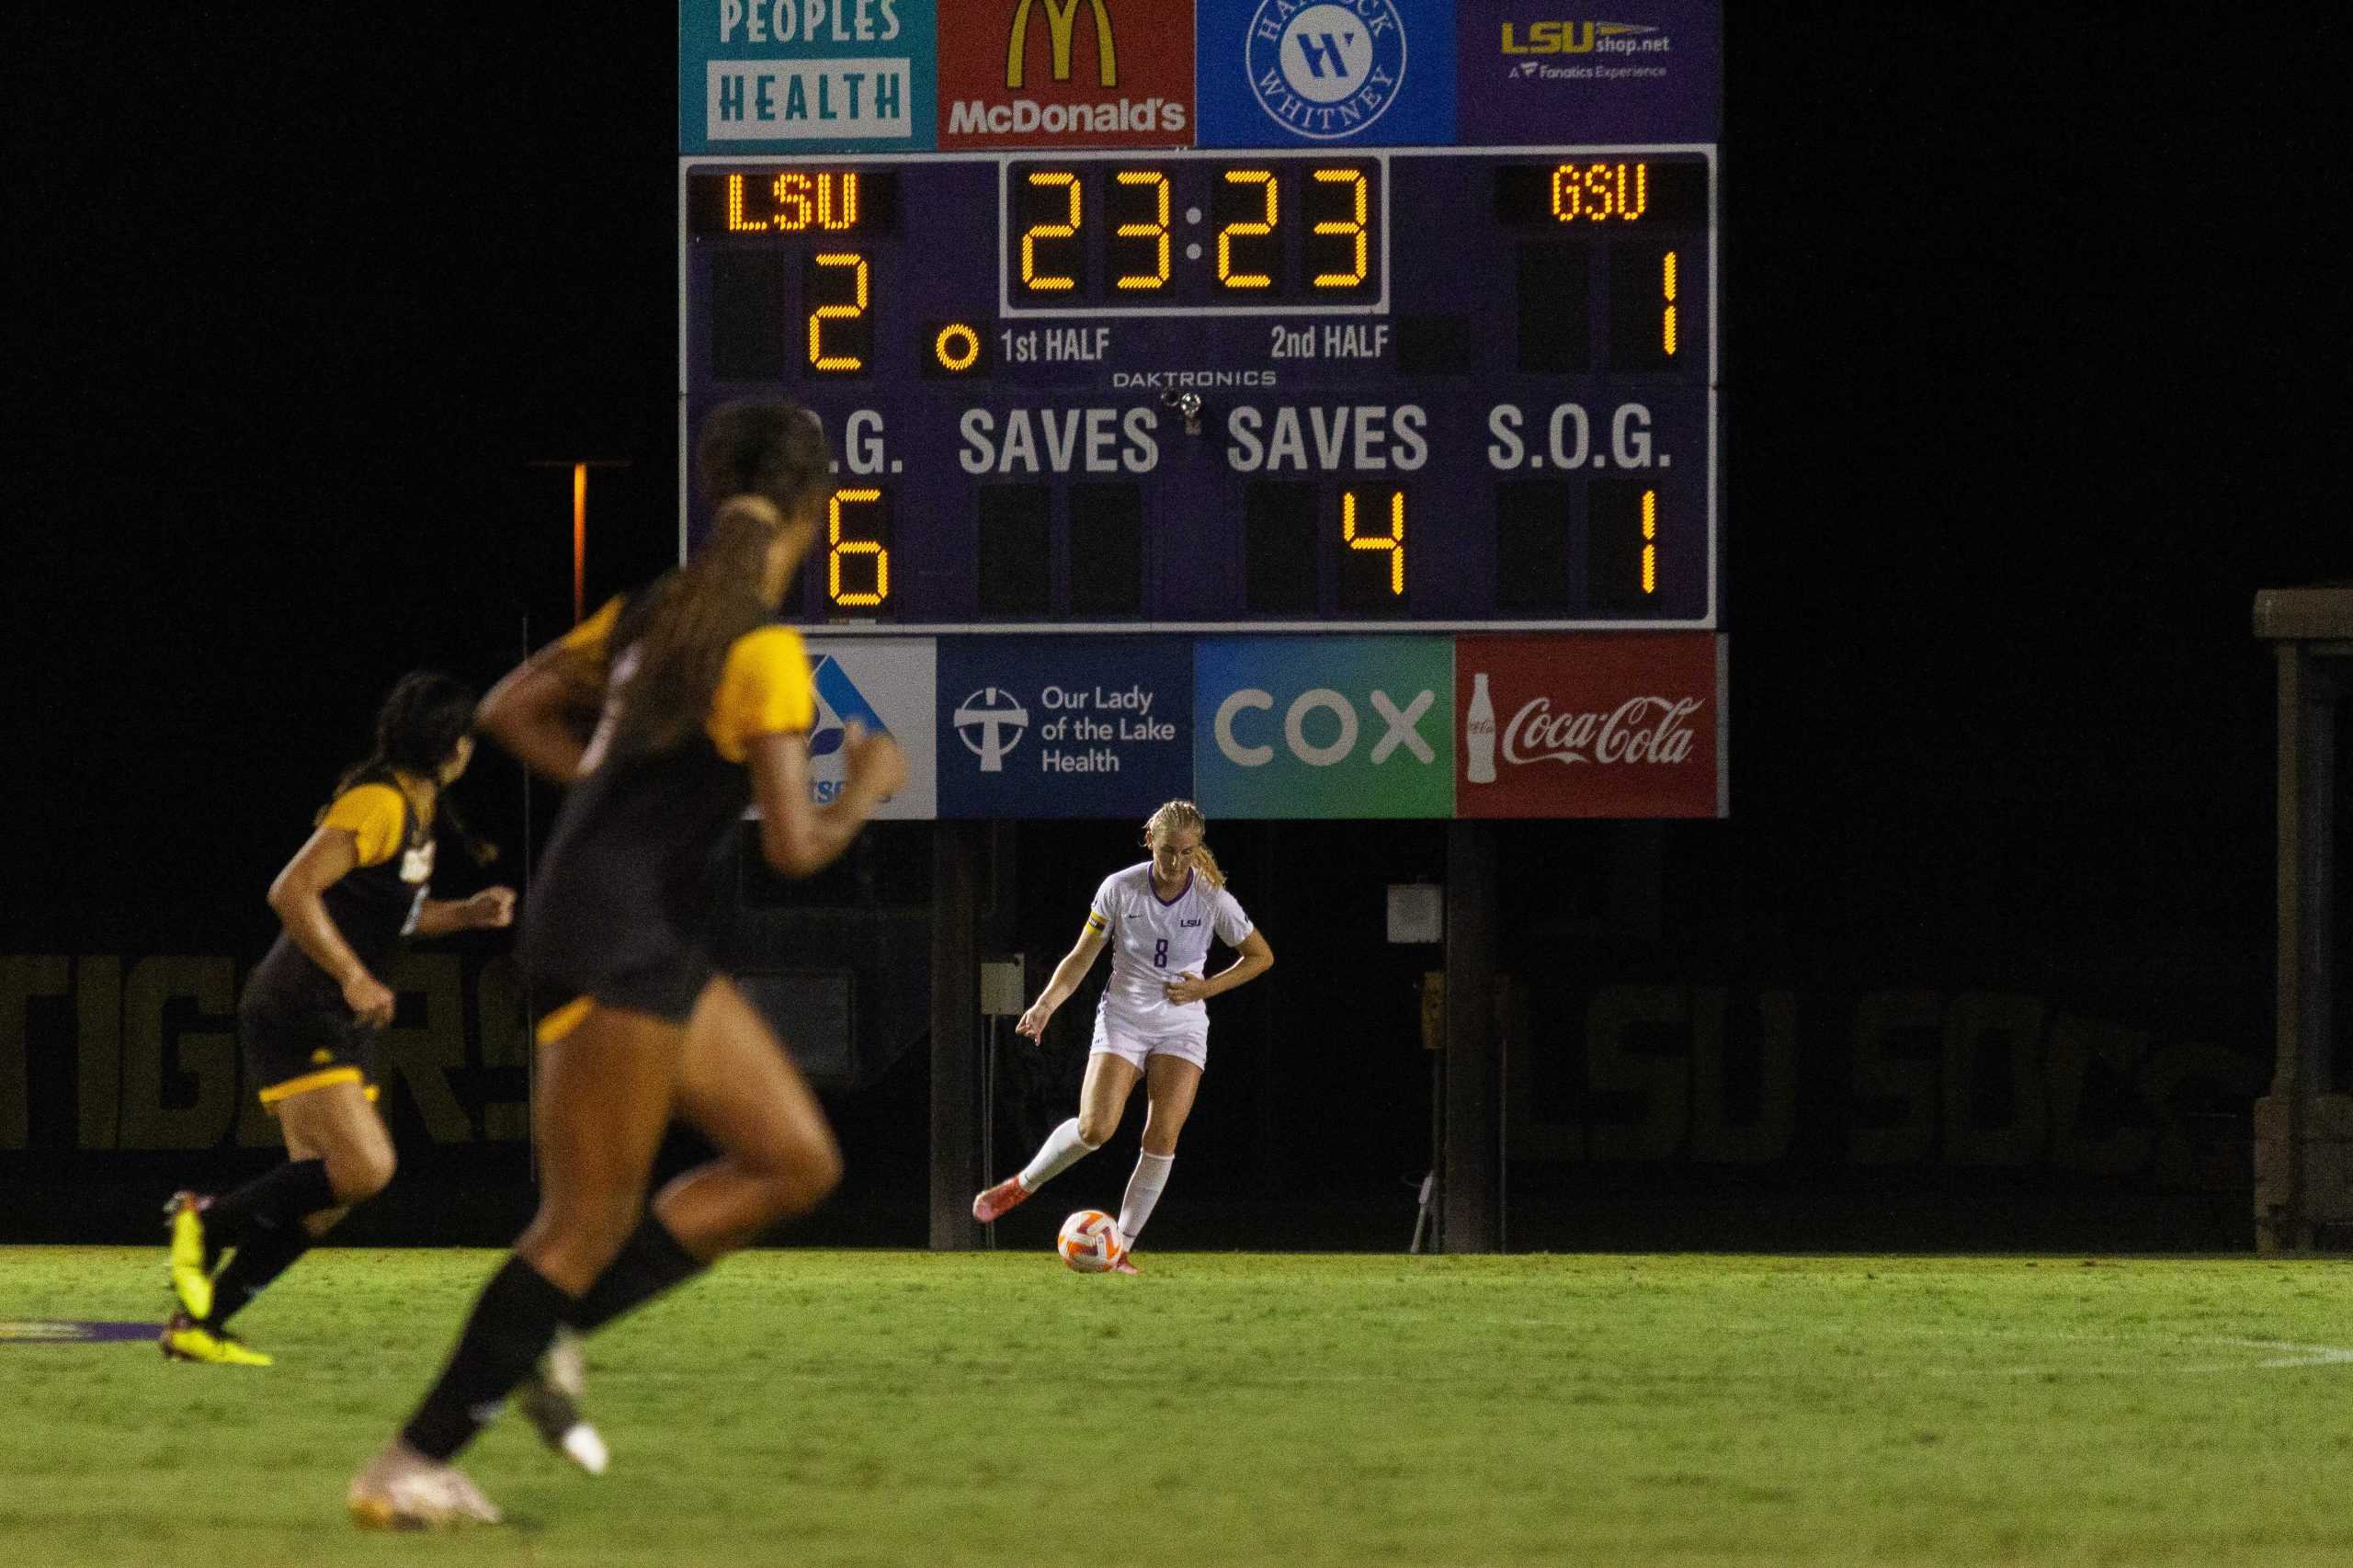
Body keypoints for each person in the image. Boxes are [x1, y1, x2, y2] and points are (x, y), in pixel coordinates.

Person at [347, 397, 905, 1529]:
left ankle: (545, 1334)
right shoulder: (759, 644)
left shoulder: (655, 609)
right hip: (617, 936)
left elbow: (510, 707)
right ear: (817, 506)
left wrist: (612, 798)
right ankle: (409, 1461)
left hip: (622, 922)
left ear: (718, 492)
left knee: (794, 1158)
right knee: (581, 1224)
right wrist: (870, 786)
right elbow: (797, 845)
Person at [165, 672, 515, 1367]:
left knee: (323, 1201)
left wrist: (467, 912)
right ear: (452, 745)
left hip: (331, 1014)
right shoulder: (379, 802)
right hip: (303, 1006)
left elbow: (396, 913)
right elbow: (291, 890)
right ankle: (201, 1220)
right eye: (468, 737)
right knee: (366, 1167)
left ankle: (198, 1326)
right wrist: (354, 975)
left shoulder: (415, 810)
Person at [972, 801, 1274, 1270]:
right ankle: (1023, 1184)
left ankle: (1122, 1247)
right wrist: (1046, 1004)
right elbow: (1081, 956)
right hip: (1124, 1018)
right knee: (1096, 1128)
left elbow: (1260, 956)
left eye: (1188, 852)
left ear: (1198, 849)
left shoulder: (1213, 896)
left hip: (1182, 1024)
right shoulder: (1119, 888)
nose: (1176, 863)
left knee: (1162, 1136)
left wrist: (1206, 987)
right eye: (1169, 851)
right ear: (1150, 840)